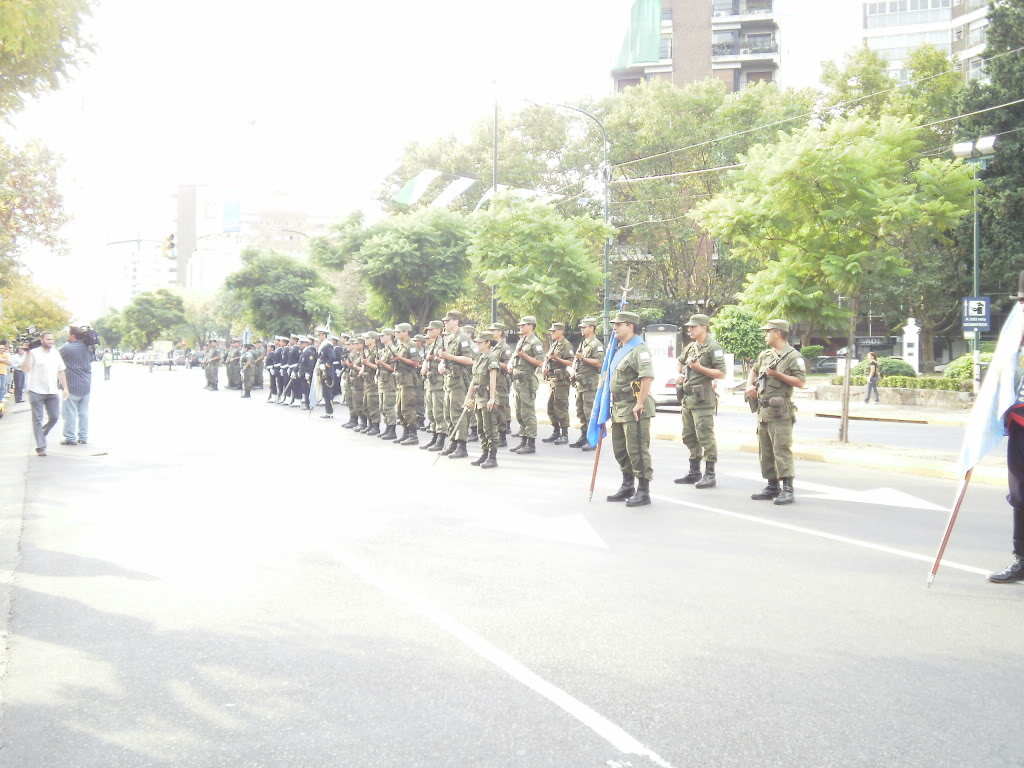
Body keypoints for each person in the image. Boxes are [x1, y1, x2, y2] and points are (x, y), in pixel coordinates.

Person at [746, 319, 806, 505]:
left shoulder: (792, 356)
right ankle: (772, 486)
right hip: (763, 411)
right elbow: (754, 371)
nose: (765, 335)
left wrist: (778, 375)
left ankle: (788, 489)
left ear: (778, 333)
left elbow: (800, 382)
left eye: (768, 332)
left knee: (781, 449)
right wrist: (749, 384)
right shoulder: (765, 355)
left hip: (780, 412)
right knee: (766, 451)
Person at [604, 312, 656, 507]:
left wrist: (640, 402)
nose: (615, 328)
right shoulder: (620, 349)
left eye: (619, 324)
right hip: (619, 407)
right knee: (621, 450)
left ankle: (643, 490)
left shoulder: (639, 350)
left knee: (637, 450)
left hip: (633, 406)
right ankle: (627, 485)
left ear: (630, 326)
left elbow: (647, 377)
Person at [674, 314, 727, 489]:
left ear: (704, 327)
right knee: (689, 435)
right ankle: (694, 471)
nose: (689, 329)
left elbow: (721, 373)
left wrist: (699, 368)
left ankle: (710, 474)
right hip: (688, 399)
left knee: (705, 436)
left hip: (703, 400)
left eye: (693, 327)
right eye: (689, 327)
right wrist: (679, 374)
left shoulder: (713, 347)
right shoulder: (691, 347)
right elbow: (680, 361)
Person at [21, 331, 68, 457]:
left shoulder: (55, 353)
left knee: (54, 417)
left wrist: (65, 388)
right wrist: (27, 353)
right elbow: (25, 369)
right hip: (36, 390)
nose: (51, 342)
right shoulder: (34, 353)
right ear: (41, 340)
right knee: (37, 419)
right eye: (48, 339)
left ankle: (41, 434)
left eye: (52, 340)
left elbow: (61, 371)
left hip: (52, 391)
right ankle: (41, 447)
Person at [438, 311, 473, 459]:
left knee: (458, 413)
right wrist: (442, 363)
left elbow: (469, 359)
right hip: (449, 380)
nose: (445, 323)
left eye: (448, 320)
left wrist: (448, 357)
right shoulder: (449, 338)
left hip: (459, 381)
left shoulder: (462, 337)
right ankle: (452, 442)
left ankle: (461, 445)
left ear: (456, 321)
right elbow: (446, 358)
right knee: (448, 413)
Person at [510, 316, 545, 455]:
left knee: (528, 413)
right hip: (519, 382)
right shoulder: (522, 340)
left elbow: (540, 362)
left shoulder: (535, 342)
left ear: (531, 326)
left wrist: (524, 356)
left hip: (528, 381)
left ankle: (530, 443)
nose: (520, 327)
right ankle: (523, 441)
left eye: (523, 325)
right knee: (519, 413)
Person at [465, 330, 500, 469]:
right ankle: (484, 453)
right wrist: (468, 398)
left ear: (488, 343)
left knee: (490, 428)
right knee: (481, 428)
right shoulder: (480, 358)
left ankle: (492, 456)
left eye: (480, 342)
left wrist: (492, 398)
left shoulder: (491, 357)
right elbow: (474, 380)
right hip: (479, 397)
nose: (478, 344)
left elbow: (493, 379)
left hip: (486, 397)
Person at [569, 318, 605, 452]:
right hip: (580, 384)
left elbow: (599, 363)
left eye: (584, 327)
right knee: (581, 413)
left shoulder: (596, 344)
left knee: (590, 413)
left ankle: (592, 440)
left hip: (590, 385)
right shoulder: (584, 343)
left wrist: (583, 358)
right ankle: (584, 437)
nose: (581, 329)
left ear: (591, 328)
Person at [59, 327, 94, 445]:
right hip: (86, 385)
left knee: (69, 412)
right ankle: (83, 437)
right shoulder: (88, 348)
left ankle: (70, 437)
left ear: (72, 335)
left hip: (71, 385)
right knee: (83, 412)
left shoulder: (66, 348)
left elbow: (56, 360)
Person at [542, 322, 574, 445]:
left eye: (554, 331)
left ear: (561, 331)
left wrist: (558, 359)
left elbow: (571, 363)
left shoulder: (566, 345)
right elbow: (547, 358)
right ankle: (556, 432)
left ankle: (564, 434)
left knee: (561, 407)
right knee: (551, 407)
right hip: (552, 380)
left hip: (562, 381)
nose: (551, 333)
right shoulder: (554, 345)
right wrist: (545, 367)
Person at [420, 321, 447, 452]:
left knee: (438, 412)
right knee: (431, 412)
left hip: (439, 382)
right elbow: (427, 359)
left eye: (431, 329)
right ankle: (434, 437)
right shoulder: (433, 344)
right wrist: (425, 366)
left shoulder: (444, 342)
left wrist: (434, 358)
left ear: (438, 330)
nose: (428, 332)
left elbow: (446, 360)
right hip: (430, 382)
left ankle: (441, 439)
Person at [394, 323, 422, 445]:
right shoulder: (401, 345)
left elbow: (416, 363)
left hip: (408, 381)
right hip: (401, 380)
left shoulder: (411, 345)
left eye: (399, 332)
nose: (397, 334)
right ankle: (406, 432)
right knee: (399, 409)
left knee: (407, 408)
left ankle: (413, 435)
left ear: (406, 332)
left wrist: (400, 359)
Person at [488, 322, 513, 448]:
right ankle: (496, 434)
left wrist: (494, 361)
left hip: (501, 382)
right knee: (493, 410)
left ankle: (502, 435)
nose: (492, 332)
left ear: (500, 332)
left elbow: (508, 366)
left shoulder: (505, 347)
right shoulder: (493, 347)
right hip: (492, 381)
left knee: (501, 409)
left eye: (494, 330)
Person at [376, 329, 399, 439]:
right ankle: (387, 428)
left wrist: (382, 363)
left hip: (389, 383)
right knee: (382, 407)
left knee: (388, 406)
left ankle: (392, 430)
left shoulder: (393, 350)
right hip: (382, 382)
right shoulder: (383, 350)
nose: (381, 337)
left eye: (383, 335)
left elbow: (394, 368)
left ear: (389, 336)